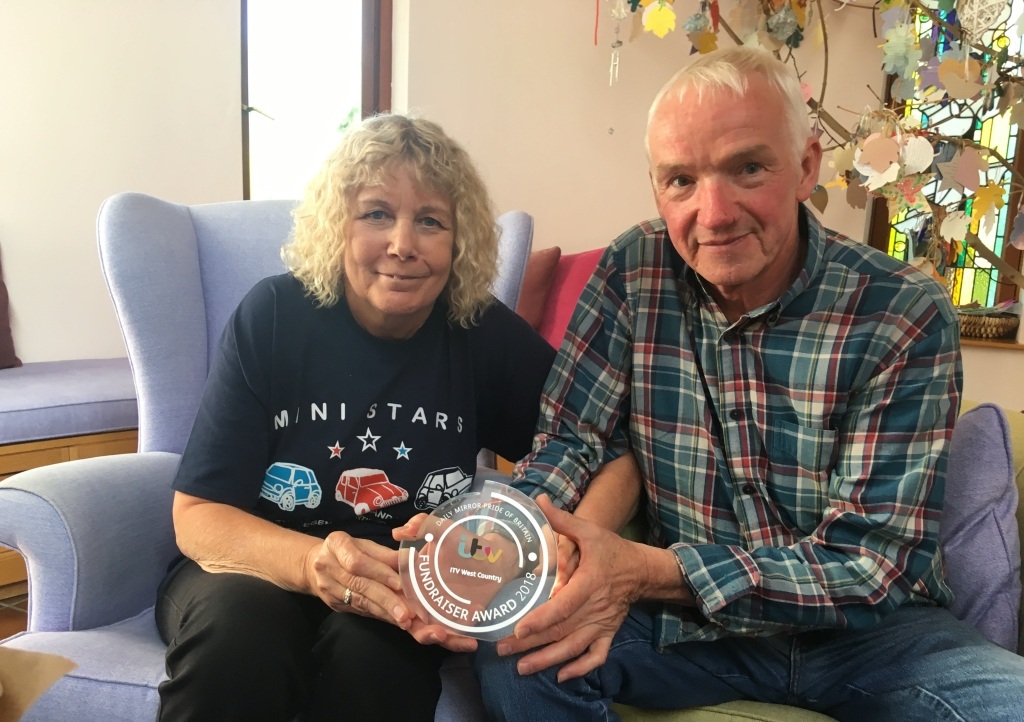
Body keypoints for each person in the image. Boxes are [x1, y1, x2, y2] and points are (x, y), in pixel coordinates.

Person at [471, 46, 1024, 720]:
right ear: (656, 189)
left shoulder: (900, 309)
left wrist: (654, 571)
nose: (715, 212)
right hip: (685, 635)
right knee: (516, 646)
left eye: (748, 168)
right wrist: (527, 540)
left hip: (873, 638)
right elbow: (571, 441)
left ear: (806, 166)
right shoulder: (632, 272)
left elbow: (874, 564)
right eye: (681, 180)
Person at [153, 113, 558, 722]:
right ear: (337, 225)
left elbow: (585, 438)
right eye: (375, 213)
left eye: (430, 221)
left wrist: (513, 544)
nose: (402, 243)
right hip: (254, 567)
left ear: (460, 240)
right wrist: (311, 564)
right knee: (239, 642)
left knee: (377, 666)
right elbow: (198, 519)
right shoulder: (273, 316)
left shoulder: (482, 334)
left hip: (399, 582)